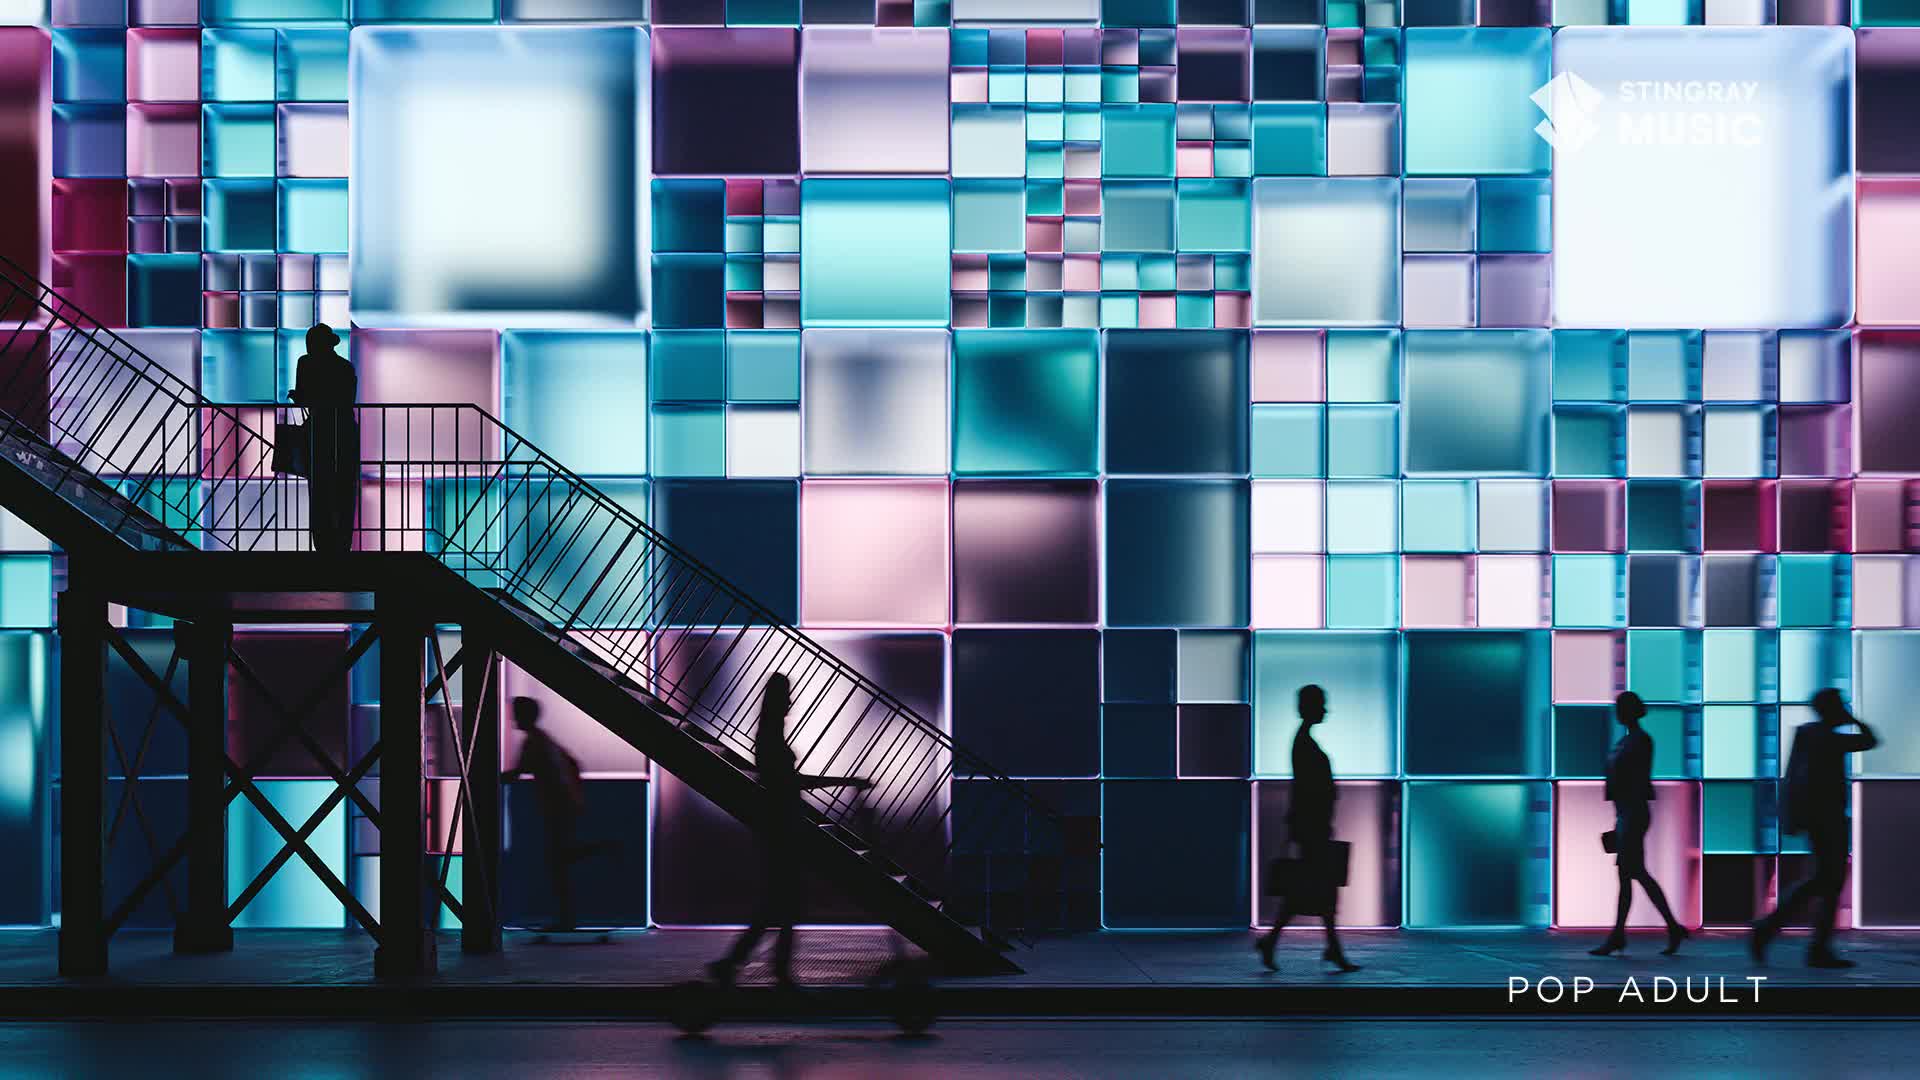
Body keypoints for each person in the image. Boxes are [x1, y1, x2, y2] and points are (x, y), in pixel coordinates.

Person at [709, 673, 872, 990]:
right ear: (776, 700)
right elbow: (789, 782)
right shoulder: (769, 739)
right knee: (782, 902)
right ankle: (757, 967)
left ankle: (743, 965)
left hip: (781, 825)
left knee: (779, 902)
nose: (790, 701)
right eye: (786, 695)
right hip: (780, 827)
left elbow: (785, 781)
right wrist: (844, 781)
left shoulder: (770, 735)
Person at [1751, 688, 1878, 968]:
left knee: (1825, 881)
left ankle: (1793, 938)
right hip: (1827, 818)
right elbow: (1871, 740)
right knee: (1827, 882)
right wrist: (1853, 720)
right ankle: (1787, 936)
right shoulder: (1828, 738)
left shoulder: (1810, 734)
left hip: (1816, 818)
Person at [1256, 684, 1359, 974]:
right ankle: (1331, 949)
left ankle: (1277, 942)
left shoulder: (1302, 741)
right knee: (1321, 888)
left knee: (1312, 888)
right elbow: (1306, 790)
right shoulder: (1304, 744)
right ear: (1310, 707)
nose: (1325, 710)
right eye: (1321, 704)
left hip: (1311, 826)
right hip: (1313, 827)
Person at [1589, 691, 1688, 957]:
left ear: (1628, 711)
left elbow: (1635, 780)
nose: (1616, 712)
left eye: (1620, 708)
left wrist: (1626, 820)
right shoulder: (1629, 741)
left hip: (1633, 813)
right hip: (1626, 813)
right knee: (1631, 875)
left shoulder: (1640, 741)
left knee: (1634, 874)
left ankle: (1631, 934)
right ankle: (1631, 933)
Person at [506, 696, 607, 931]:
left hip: (556, 807)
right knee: (561, 859)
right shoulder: (543, 739)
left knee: (558, 863)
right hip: (564, 805)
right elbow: (573, 763)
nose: (513, 719)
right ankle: (566, 917)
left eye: (516, 714)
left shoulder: (534, 742)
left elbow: (518, 772)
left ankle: (565, 919)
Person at [288, 322, 357, 553]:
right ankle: (342, 544)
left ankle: (323, 544)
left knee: (319, 489)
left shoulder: (306, 363)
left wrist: (298, 397)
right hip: (344, 431)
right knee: (344, 489)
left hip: (319, 430)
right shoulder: (345, 367)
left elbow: (304, 397)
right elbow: (348, 400)